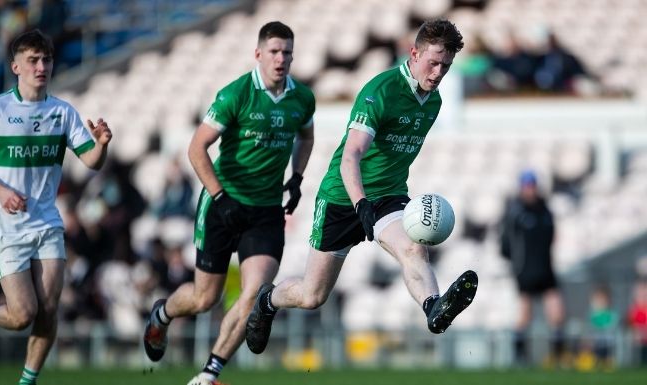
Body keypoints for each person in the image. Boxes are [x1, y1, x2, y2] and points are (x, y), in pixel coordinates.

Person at [244, 19, 478, 356]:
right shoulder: (380, 91)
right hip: (342, 197)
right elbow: (351, 155)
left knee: (413, 248)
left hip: (389, 197)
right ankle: (267, 300)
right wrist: (360, 204)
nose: (439, 71)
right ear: (413, 53)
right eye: (433, 62)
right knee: (312, 296)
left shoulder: (435, 100)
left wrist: (375, 203)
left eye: (446, 65)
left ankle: (433, 307)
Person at [143, 21, 315, 385]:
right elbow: (196, 148)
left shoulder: (302, 98)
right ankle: (162, 315)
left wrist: (297, 177)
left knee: (254, 293)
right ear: (258, 55)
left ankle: (209, 374)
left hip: (266, 210)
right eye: (273, 51)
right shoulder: (235, 94)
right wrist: (220, 197)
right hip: (223, 204)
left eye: (287, 52)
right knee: (205, 298)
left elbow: (307, 136)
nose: (280, 58)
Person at [0, 29, 112, 385]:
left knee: (50, 307)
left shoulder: (62, 111)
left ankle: (28, 381)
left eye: (47, 60)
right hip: (7, 226)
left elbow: (91, 161)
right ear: (16, 66)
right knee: (23, 313)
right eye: (33, 60)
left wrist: (101, 145)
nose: (42, 67)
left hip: (46, 223)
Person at [499, 169, 566, 366]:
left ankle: (558, 357)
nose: (530, 190)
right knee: (524, 315)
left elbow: (552, 236)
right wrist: (517, 265)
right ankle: (520, 357)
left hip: (546, 269)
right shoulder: (516, 213)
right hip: (525, 271)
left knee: (557, 313)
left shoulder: (545, 210)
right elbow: (505, 244)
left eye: (532, 186)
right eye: (527, 186)